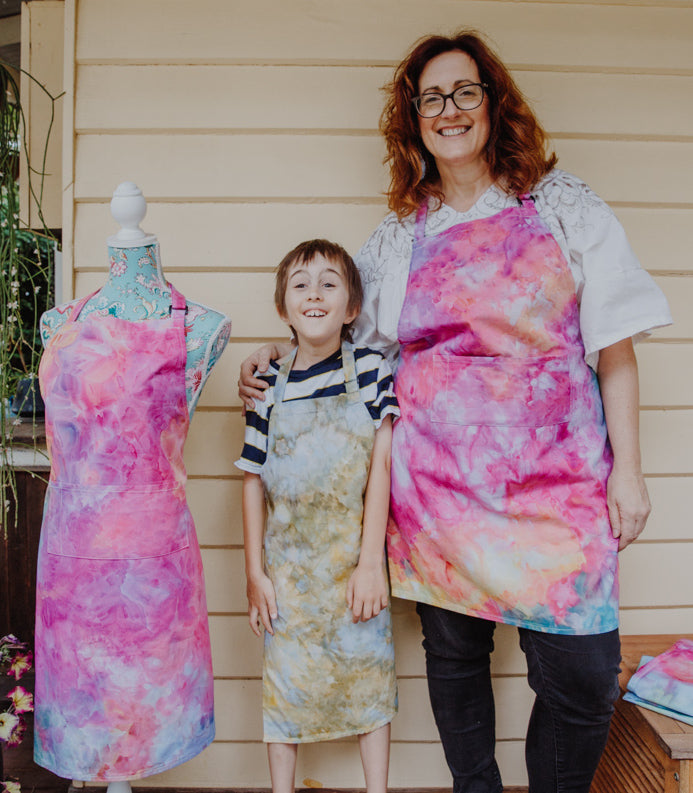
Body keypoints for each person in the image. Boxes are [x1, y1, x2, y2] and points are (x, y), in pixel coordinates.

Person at [239, 31, 673, 793]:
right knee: (456, 659)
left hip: (558, 490)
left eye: (463, 91)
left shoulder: (563, 206)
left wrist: (627, 472)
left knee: (581, 677)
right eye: (430, 98)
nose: (448, 110)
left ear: (491, 101)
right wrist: (277, 359)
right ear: (413, 119)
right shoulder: (398, 239)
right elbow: (342, 335)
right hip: (437, 494)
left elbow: (614, 347)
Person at [34, 183, 231, 791]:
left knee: (147, 714)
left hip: (152, 558)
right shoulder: (58, 322)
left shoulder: (199, 327)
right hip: (72, 556)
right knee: (86, 712)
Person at [235, 239, 398, 793]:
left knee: (368, 682)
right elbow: (252, 480)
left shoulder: (372, 370)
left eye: (330, 283)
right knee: (284, 688)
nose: (315, 293)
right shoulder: (267, 386)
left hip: (352, 563)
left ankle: (376, 788)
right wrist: (256, 573)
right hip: (289, 571)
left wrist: (370, 562)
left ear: (352, 307)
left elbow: (381, 466)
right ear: (284, 307)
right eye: (301, 284)